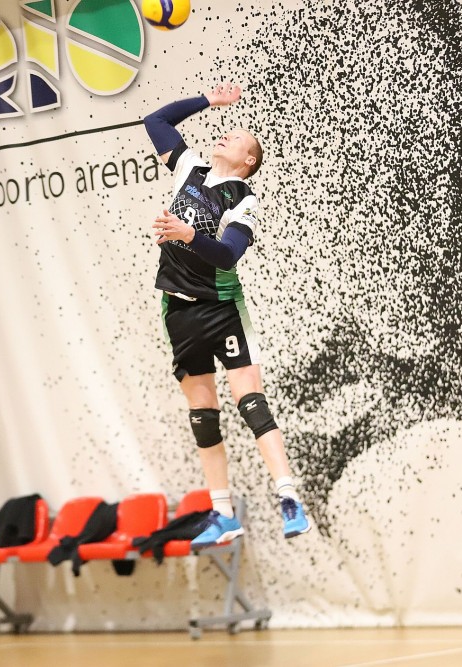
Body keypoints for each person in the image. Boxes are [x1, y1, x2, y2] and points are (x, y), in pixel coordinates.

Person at [144, 83, 311, 547]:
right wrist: (208, 101)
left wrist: (187, 234)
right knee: (203, 415)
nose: (226, 135)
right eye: (226, 130)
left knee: (250, 402)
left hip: (221, 309)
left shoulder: (243, 198)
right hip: (178, 309)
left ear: (248, 159)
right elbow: (155, 121)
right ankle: (223, 515)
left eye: (237, 137)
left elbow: (227, 255)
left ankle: (288, 498)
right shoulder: (189, 167)